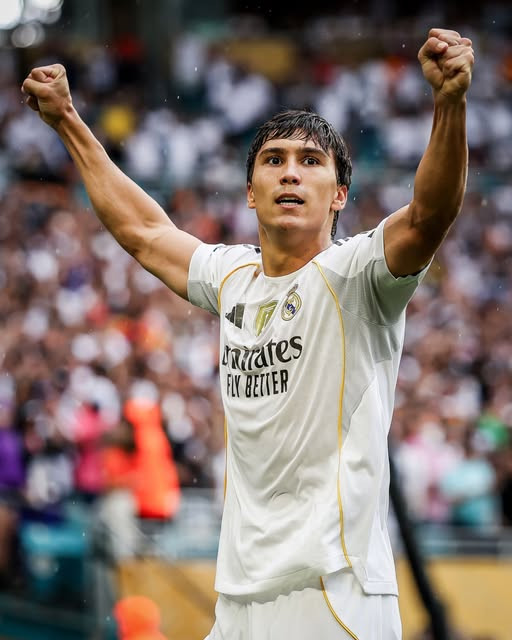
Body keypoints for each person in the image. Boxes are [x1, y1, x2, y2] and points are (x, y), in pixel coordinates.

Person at [22, 27, 474, 640]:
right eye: (274, 160)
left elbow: (429, 216)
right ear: (250, 194)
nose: (290, 174)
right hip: (239, 598)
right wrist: (67, 120)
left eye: (310, 162)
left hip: (335, 593)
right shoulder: (232, 277)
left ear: (339, 195)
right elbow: (144, 233)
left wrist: (448, 103)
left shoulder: (358, 275)